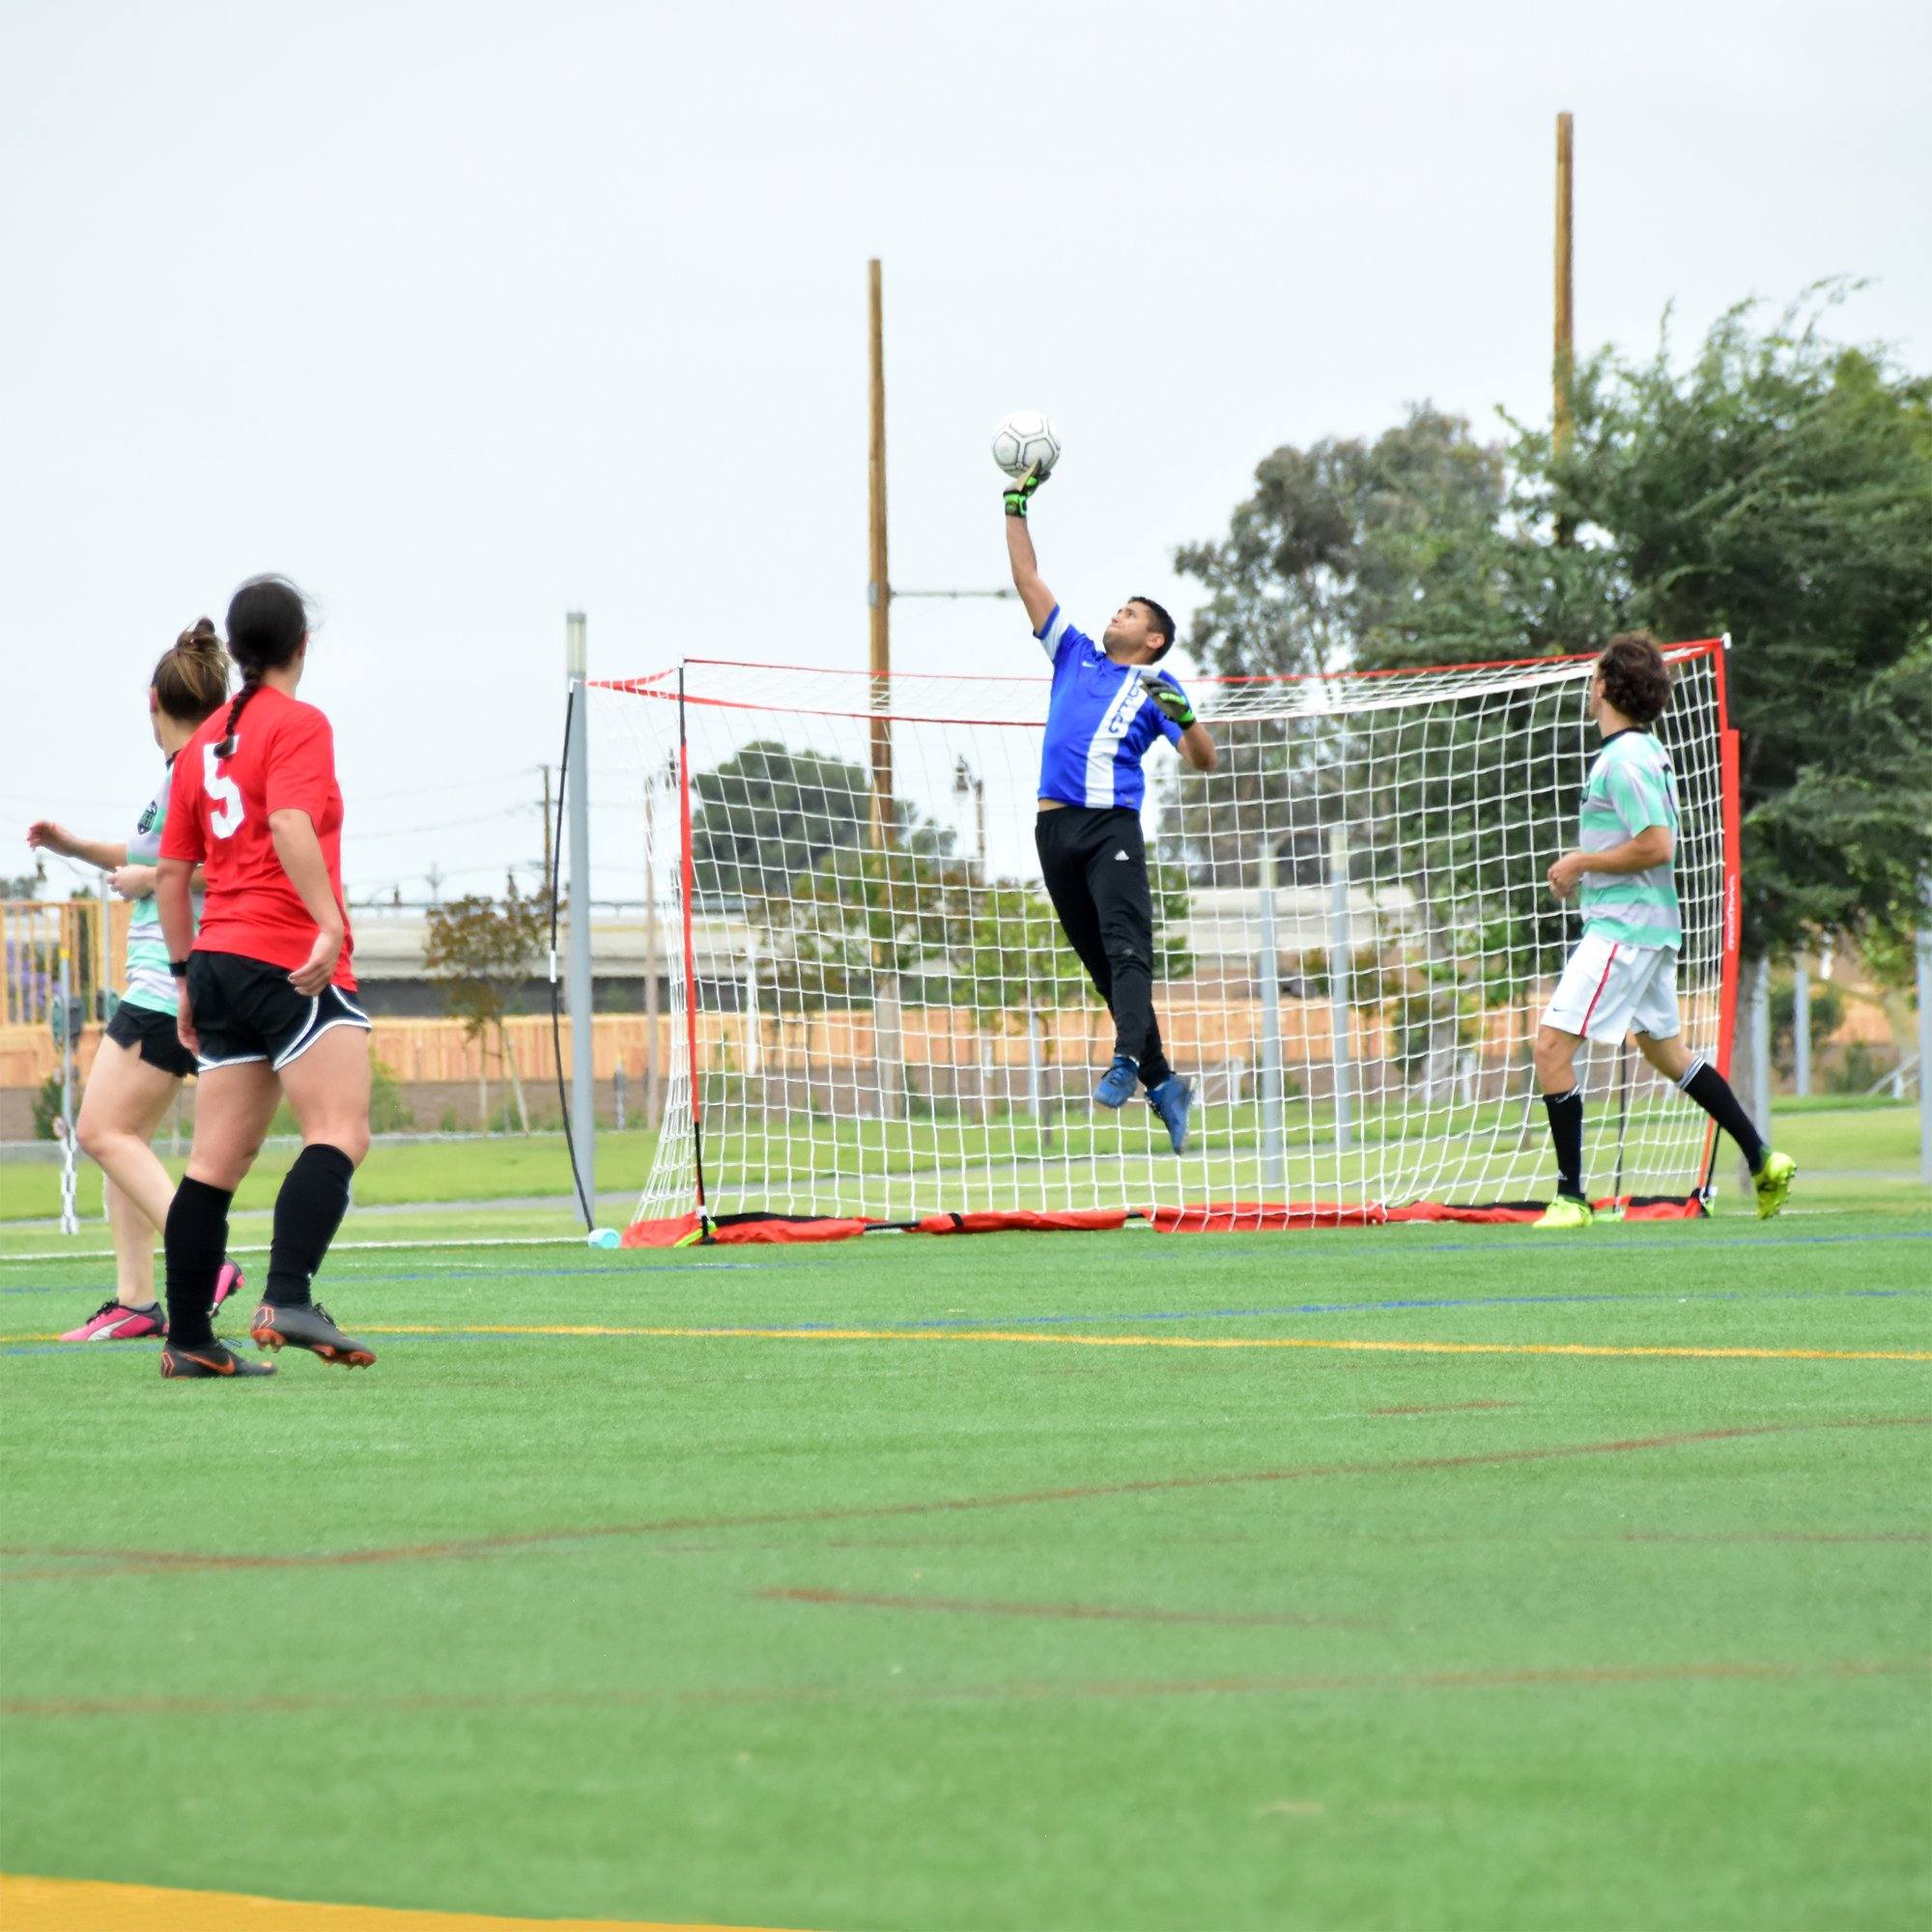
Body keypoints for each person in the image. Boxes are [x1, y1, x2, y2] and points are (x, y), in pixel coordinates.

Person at [154, 576, 376, 1378]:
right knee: (341, 1130)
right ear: (301, 647)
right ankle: (286, 1294)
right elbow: (288, 820)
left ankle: (187, 1339)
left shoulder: (202, 741)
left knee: (214, 1165)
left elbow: (172, 876)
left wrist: (184, 979)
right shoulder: (300, 723)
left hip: (215, 960)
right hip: (284, 956)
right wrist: (328, 923)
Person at [26, 622, 245, 1340]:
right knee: (128, 1140)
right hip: (159, 980)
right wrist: (74, 846)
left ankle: (205, 1261)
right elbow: (147, 856)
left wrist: (155, 877)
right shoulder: (184, 770)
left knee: (100, 1130)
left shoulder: (202, 771)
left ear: (153, 700)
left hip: (167, 984)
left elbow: (235, 865)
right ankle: (134, 1301)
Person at [1532, 631, 1797, 1228]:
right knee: (1666, 1052)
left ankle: (1572, 1199)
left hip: (1623, 930)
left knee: (1550, 1047)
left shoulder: (1624, 760)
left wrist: (1580, 862)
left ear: (1604, 686)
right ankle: (1762, 1158)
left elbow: (1657, 846)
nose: (1588, 683)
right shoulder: (1643, 752)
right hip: (1650, 929)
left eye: (1593, 675)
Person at [1003, 463, 1217, 1151]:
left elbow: (1204, 759)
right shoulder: (1073, 655)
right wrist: (1016, 503)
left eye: (1130, 613)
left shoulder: (1157, 683)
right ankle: (1166, 1083)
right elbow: (1029, 579)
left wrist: (1187, 719)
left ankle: (1127, 1063)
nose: (1115, 616)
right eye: (1119, 609)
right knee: (1102, 968)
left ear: (1153, 638)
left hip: (1110, 830)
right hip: (1052, 828)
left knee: (1129, 957)